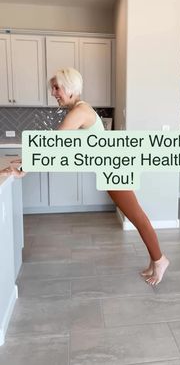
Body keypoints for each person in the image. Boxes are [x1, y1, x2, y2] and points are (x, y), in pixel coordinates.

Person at [50, 67, 169, 285]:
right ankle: (154, 261)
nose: (53, 93)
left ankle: (160, 260)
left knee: (137, 218)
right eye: (53, 88)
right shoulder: (80, 109)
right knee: (136, 217)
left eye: (56, 88)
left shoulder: (79, 111)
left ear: (69, 87)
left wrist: (24, 165)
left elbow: (53, 145)